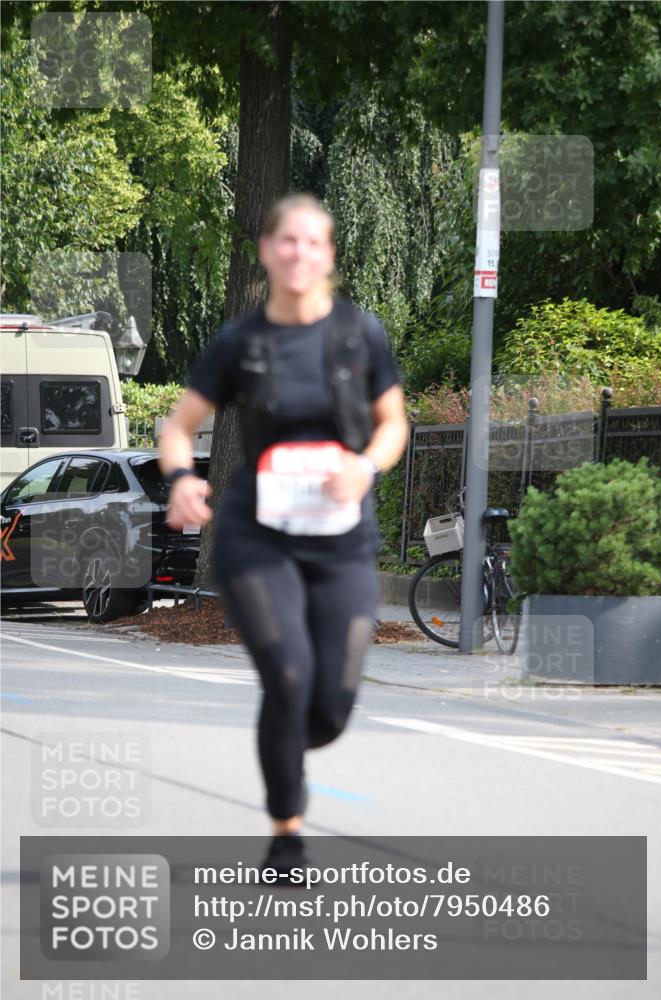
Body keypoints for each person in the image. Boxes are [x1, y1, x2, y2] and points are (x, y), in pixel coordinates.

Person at [158, 192, 408, 879]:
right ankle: (286, 835)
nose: (299, 253)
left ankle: (289, 740)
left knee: (328, 710)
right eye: (286, 241)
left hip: (341, 539)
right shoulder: (241, 342)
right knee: (289, 676)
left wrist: (364, 465)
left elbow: (393, 424)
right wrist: (181, 479)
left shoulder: (359, 335)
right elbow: (178, 426)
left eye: (312, 242)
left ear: (329, 255)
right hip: (258, 537)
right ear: (267, 251)